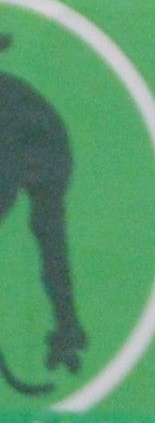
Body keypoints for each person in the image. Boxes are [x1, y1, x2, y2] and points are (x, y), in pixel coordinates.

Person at [0, 32, 81, 393]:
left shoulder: (12, 104)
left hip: (43, 151)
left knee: (49, 236)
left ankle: (68, 329)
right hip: (22, 151)